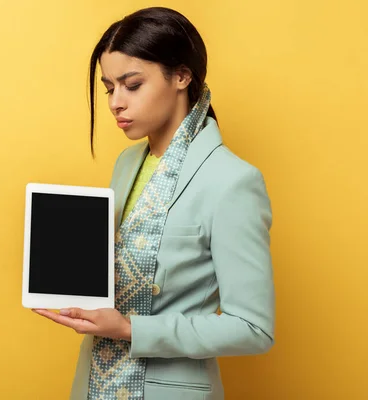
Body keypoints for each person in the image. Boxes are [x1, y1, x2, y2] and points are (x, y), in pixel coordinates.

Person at [33, 7, 275, 400]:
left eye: (132, 84)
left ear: (182, 76)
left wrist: (130, 328)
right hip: (95, 383)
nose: (115, 103)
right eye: (109, 88)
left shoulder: (233, 181)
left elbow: (253, 329)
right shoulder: (128, 163)